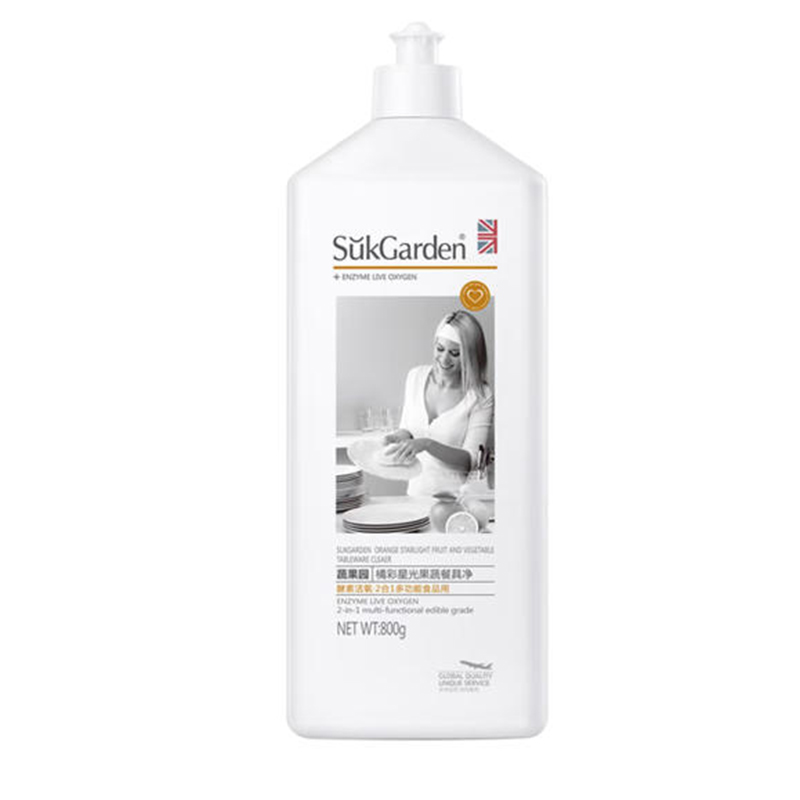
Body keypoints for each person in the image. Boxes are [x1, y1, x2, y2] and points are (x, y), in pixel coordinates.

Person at [384, 310, 494, 497]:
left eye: (455, 353)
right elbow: (407, 430)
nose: (444, 359)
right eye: (440, 349)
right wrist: (395, 438)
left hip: (457, 501)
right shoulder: (415, 377)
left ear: (470, 356)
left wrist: (428, 444)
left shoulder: (480, 395)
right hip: (415, 497)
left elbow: (472, 460)